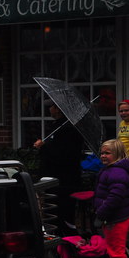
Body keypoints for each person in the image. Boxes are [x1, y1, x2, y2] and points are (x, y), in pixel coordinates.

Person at [33, 100, 85, 233]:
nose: (49, 109)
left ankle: (66, 240)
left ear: (58, 109)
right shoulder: (57, 126)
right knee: (52, 212)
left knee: (63, 213)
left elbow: (62, 154)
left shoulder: (69, 129)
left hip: (63, 180)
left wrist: (43, 147)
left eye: (51, 106)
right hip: (53, 178)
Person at [93, 139, 129, 258]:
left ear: (117, 154)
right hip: (114, 217)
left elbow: (115, 196)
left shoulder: (117, 172)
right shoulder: (111, 170)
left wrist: (102, 212)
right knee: (113, 250)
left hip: (116, 218)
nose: (103, 156)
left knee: (116, 251)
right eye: (102, 153)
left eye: (107, 153)